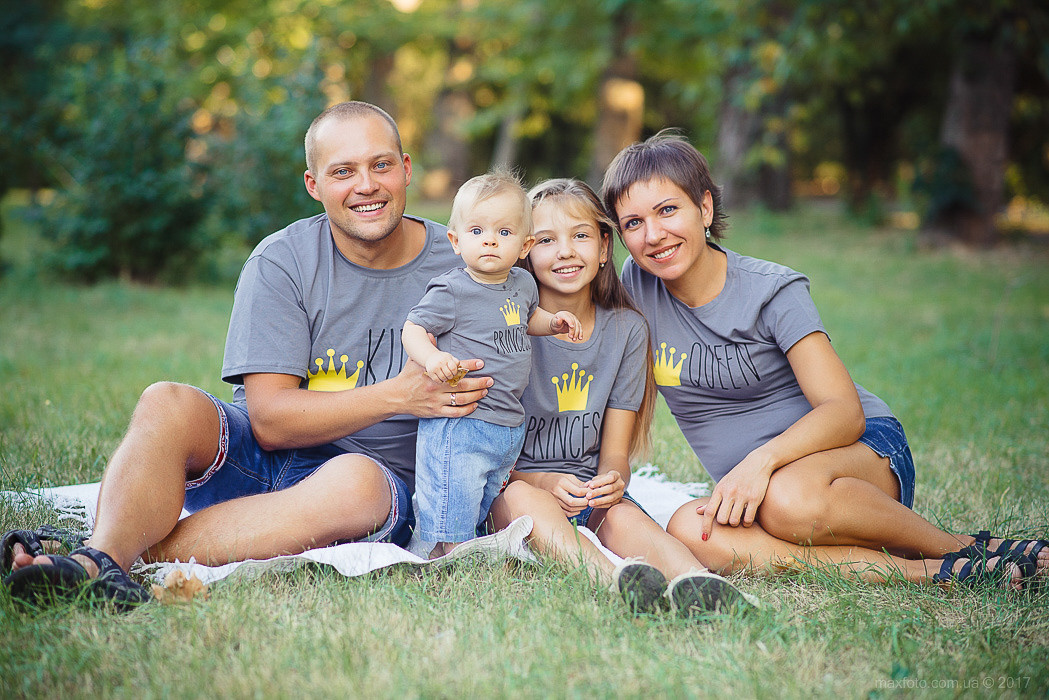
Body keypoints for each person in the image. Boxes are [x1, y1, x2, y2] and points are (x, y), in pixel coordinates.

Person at [2, 101, 492, 609]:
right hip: (265, 463)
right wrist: (399, 395)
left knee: (357, 481)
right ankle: (100, 556)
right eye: (342, 171)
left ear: (406, 169)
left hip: (374, 489)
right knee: (165, 400)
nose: (365, 185)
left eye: (381, 165)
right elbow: (271, 422)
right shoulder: (282, 259)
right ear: (313, 185)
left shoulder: (466, 261)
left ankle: (94, 562)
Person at [599, 131, 1047, 589]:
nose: (653, 235)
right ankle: (931, 573)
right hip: (765, 493)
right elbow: (560, 279)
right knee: (692, 531)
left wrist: (761, 463)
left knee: (788, 499)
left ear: (706, 209)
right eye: (632, 223)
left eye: (668, 210)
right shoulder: (636, 288)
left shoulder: (772, 291)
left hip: (860, 454)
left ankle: (959, 548)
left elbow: (843, 411)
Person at [488, 179, 757, 615]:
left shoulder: (627, 330)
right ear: (523, 250)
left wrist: (614, 479)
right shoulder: (506, 329)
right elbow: (486, 452)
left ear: (603, 246)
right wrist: (544, 481)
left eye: (579, 235)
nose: (565, 251)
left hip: (589, 492)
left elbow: (615, 453)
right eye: (546, 239)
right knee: (526, 501)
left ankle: (704, 586)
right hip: (513, 486)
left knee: (626, 516)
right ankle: (612, 580)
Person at [403, 172, 582, 558]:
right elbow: (413, 329)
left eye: (504, 232)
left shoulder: (522, 283)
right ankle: (445, 555)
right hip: (460, 423)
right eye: (477, 230)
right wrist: (433, 358)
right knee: (453, 493)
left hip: (506, 422)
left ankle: (463, 544)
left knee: (482, 494)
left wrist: (552, 323)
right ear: (455, 240)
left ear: (524, 245)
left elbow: (524, 318)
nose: (489, 239)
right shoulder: (452, 290)